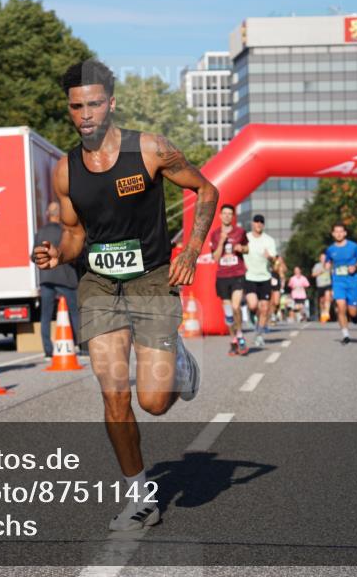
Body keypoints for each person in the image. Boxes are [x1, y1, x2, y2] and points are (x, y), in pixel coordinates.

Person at [32, 60, 218, 531]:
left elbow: (208, 190)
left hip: (153, 280)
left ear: (111, 103)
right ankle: (140, 495)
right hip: (98, 285)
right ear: (69, 110)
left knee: (154, 402)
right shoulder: (66, 171)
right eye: (77, 106)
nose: (86, 114)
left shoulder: (151, 149)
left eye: (95, 103)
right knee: (114, 394)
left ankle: (179, 362)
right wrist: (58, 252)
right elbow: (76, 236)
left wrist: (192, 250)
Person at [33, 201, 80, 359]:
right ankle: (79, 344)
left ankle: (48, 350)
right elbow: (75, 253)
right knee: (74, 312)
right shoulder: (66, 231)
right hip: (66, 278)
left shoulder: (41, 232)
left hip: (46, 278)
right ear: (60, 214)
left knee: (45, 315)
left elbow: (33, 256)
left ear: (48, 214)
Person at [208, 205, 250, 355]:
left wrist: (241, 248)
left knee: (236, 306)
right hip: (222, 276)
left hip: (237, 273)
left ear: (233, 216)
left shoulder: (240, 232)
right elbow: (215, 257)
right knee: (228, 312)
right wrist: (221, 242)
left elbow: (247, 248)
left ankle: (240, 336)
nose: (226, 216)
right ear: (220, 216)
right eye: (224, 213)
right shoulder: (215, 234)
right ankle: (233, 340)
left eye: (229, 214)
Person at [325, 223, 357, 344]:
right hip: (338, 282)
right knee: (340, 307)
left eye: (341, 231)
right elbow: (327, 262)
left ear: (345, 233)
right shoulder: (330, 249)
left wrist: (356, 266)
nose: (338, 234)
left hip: (352, 281)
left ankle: (354, 316)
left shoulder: (353, 246)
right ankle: (345, 334)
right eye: (336, 232)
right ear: (332, 234)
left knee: (352, 311)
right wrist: (327, 266)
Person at [243, 214, 277, 348]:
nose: (258, 224)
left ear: (263, 225)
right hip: (249, 276)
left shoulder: (269, 240)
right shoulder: (246, 238)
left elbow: (275, 259)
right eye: (256, 222)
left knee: (264, 308)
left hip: (264, 277)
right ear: (252, 224)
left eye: (261, 222)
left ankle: (259, 335)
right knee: (253, 305)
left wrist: (270, 257)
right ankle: (252, 316)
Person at [312, 252, 332, 322]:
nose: (323, 259)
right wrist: (320, 272)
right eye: (322, 258)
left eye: (324, 258)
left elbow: (334, 273)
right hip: (320, 285)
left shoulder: (329, 264)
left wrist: (330, 268)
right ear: (320, 259)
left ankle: (326, 312)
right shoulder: (317, 266)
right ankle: (323, 313)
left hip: (328, 284)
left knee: (328, 298)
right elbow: (313, 275)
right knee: (322, 301)